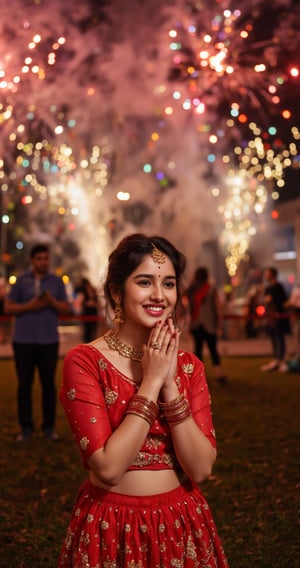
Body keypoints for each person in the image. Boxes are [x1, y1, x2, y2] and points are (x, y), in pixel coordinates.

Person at [58, 233, 229, 567]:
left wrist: (170, 384)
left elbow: (201, 468)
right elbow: (108, 468)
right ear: (115, 291)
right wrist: (151, 382)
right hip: (112, 524)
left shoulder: (189, 367)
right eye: (144, 281)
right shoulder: (85, 362)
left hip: (181, 519)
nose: (159, 295)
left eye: (168, 283)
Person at [4, 243, 70, 441]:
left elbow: (65, 308)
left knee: (48, 384)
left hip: (49, 340)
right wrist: (30, 306)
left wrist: (51, 302)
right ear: (32, 260)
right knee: (24, 385)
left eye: (46, 258)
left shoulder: (56, 282)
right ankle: (26, 428)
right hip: (23, 340)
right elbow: (8, 308)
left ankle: (49, 428)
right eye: (39, 258)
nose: (43, 262)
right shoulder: (21, 281)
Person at [186, 266, 227, 384]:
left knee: (198, 351)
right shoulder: (211, 289)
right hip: (210, 325)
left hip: (196, 324)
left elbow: (188, 308)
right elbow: (218, 308)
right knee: (213, 350)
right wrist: (219, 325)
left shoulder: (191, 290)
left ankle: (198, 378)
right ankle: (219, 375)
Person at [260, 266, 290, 373]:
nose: (265, 275)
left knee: (279, 337)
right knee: (274, 337)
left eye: (267, 273)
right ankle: (276, 359)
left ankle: (281, 359)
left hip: (279, 318)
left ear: (272, 274)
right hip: (271, 318)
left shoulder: (278, 287)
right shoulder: (268, 288)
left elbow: (284, 302)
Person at [73, 277, 99, 343]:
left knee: (93, 329)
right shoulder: (82, 291)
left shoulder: (93, 290)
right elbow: (81, 302)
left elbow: (97, 301)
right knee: (87, 329)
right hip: (87, 312)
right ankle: (87, 342)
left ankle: (92, 342)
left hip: (93, 312)